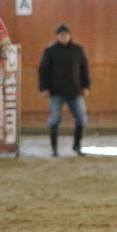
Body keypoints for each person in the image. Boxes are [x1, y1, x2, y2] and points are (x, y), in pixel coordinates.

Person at [38, 23, 90, 156]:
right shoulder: (50, 50)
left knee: (81, 118)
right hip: (56, 91)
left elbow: (84, 69)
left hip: (75, 90)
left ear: (70, 35)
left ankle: (77, 146)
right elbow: (43, 70)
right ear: (57, 36)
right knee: (54, 119)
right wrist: (44, 87)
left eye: (66, 34)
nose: (64, 36)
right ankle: (54, 149)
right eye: (61, 35)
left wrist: (86, 86)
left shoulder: (78, 49)